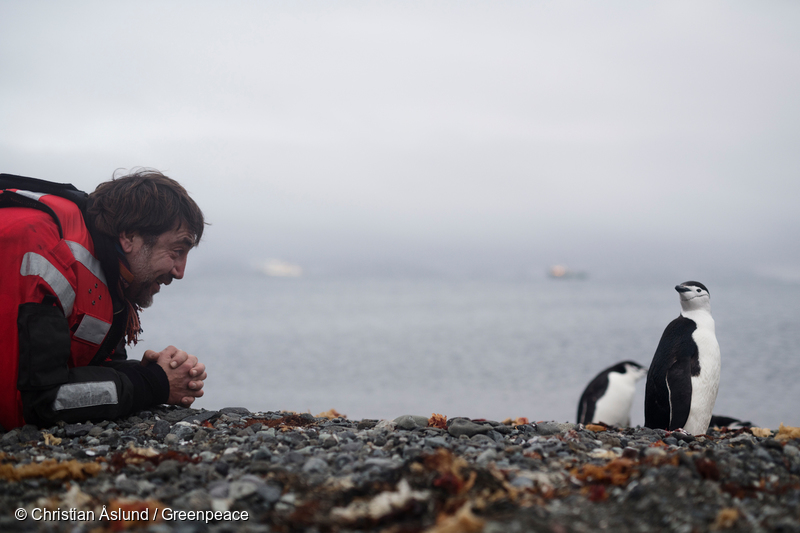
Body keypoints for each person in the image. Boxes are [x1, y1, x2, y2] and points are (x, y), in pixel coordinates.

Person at [0, 169, 208, 430]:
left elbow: (88, 367)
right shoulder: (41, 248)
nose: (180, 272)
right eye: (177, 251)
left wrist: (152, 373)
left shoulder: (109, 275)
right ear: (130, 236)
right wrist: (153, 384)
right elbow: (41, 401)